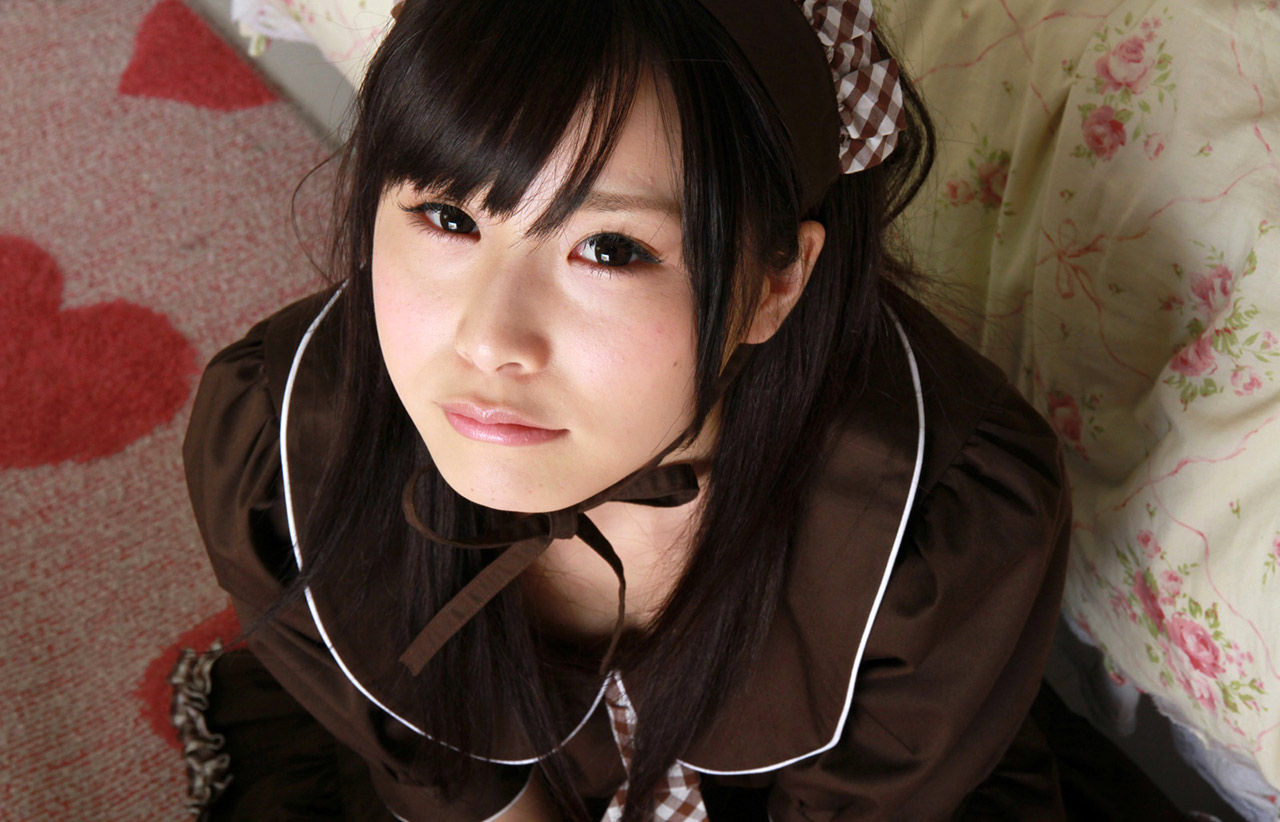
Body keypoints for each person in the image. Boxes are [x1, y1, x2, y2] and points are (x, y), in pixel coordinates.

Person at [180, 0, 1072, 819]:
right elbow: (451, 784)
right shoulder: (287, 440)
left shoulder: (937, 527)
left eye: (609, 249)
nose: (490, 341)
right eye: (449, 218)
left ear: (776, 283)